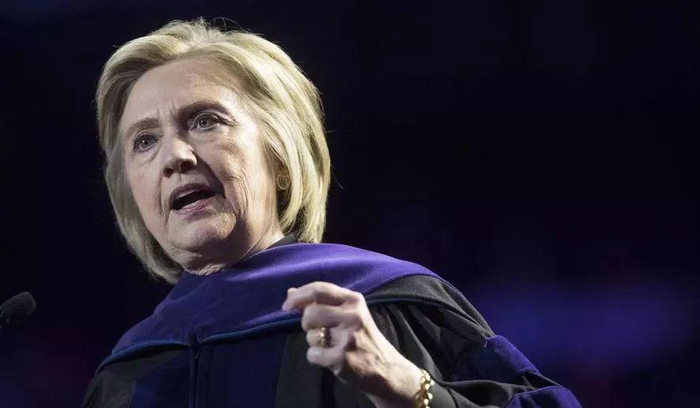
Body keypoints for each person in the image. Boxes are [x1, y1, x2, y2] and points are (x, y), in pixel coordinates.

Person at [82, 18, 581, 408]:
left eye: (205, 121)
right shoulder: (125, 372)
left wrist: (407, 386)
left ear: (280, 156)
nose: (174, 156)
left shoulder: (383, 305)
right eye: (144, 141)